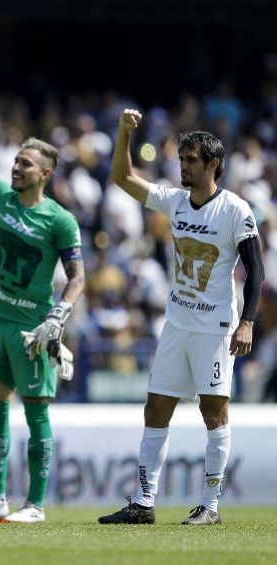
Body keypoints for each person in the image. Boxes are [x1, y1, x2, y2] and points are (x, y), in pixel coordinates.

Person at [98, 109, 264, 526]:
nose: (183, 165)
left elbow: (255, 269)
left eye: (191, 160)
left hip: (214, 329)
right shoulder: (174, 200)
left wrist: (247, 322)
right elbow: (123, 178)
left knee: (214, 413)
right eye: (182, 158)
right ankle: (143, 502)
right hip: (177, 325)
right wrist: (123, 134)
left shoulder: (235, 210)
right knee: (155, 410)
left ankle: (210, 506)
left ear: (213, 165)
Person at [0, 100, 86, 524]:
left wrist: (58, 317)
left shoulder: (61, 220)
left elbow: (79, 277)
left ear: (45, 174)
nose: (16, 169)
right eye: (15, 161)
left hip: (33, 330)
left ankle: (36, 506)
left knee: (36, 412)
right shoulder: (3, 198)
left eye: (25, 164)